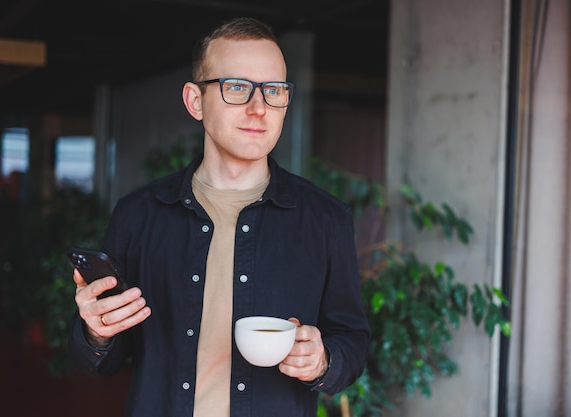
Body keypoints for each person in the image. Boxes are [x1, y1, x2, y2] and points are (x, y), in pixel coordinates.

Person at [68, 16, 370, 417]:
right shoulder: (139, 215)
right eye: (237, 88)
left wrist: (323, 360)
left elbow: (352, 341)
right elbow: (101, 360)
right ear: (196, 101)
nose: (259, 107)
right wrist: (95, 331)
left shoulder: (325, 218)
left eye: (274, 90)